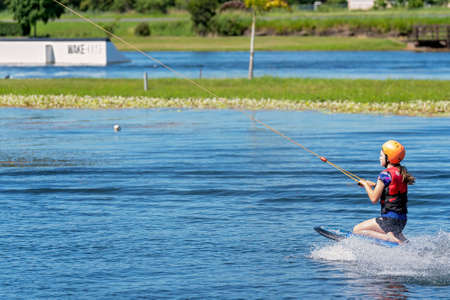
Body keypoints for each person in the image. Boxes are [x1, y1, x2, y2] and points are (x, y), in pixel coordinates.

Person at [354, 140, 415, 244]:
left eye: (381, 155)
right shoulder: (401, 172)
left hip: (389, 220)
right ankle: (412, 249)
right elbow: (391, 190)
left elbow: (374, 199)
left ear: (388, 158)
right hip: (401, 220)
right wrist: (372, 185)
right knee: (401, 240)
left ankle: (388, 238)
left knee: (357, 230)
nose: (379, 158)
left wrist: (365, 185)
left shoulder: (384, 175)